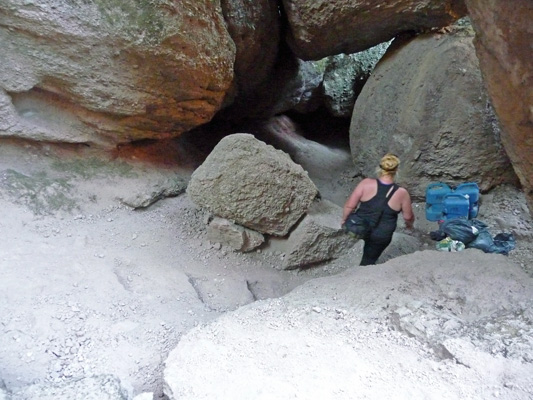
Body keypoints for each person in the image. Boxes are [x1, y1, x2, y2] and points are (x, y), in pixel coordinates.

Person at [342, 153, 415, 266]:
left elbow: (350, 206)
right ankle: (362, 272)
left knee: (363, 241)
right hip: (382, 234)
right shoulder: (402, 193)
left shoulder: (365, 183)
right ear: (396, 171)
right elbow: (408, 217)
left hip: (360, 226)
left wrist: (344, 220)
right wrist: (409, 226)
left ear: (379, 168)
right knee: (369, 259)